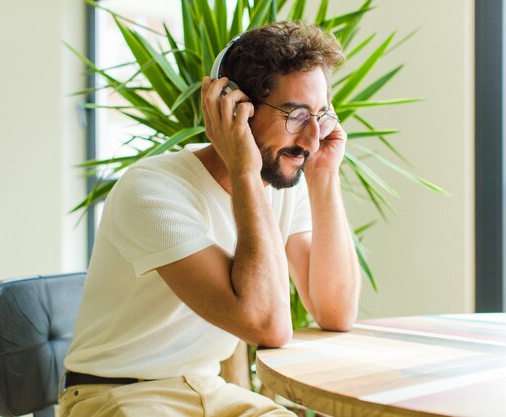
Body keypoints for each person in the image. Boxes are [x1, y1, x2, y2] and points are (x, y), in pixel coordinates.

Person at [59, 21, 361, 417]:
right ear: (235, 108)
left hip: (207, 389)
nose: (312, 139)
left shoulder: (283, 181)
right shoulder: (152, 189)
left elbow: (335, 312)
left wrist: (324, 179)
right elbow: (266, 324)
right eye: (294, 115)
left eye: (319, 116)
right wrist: (244, 170)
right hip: (116, 395)